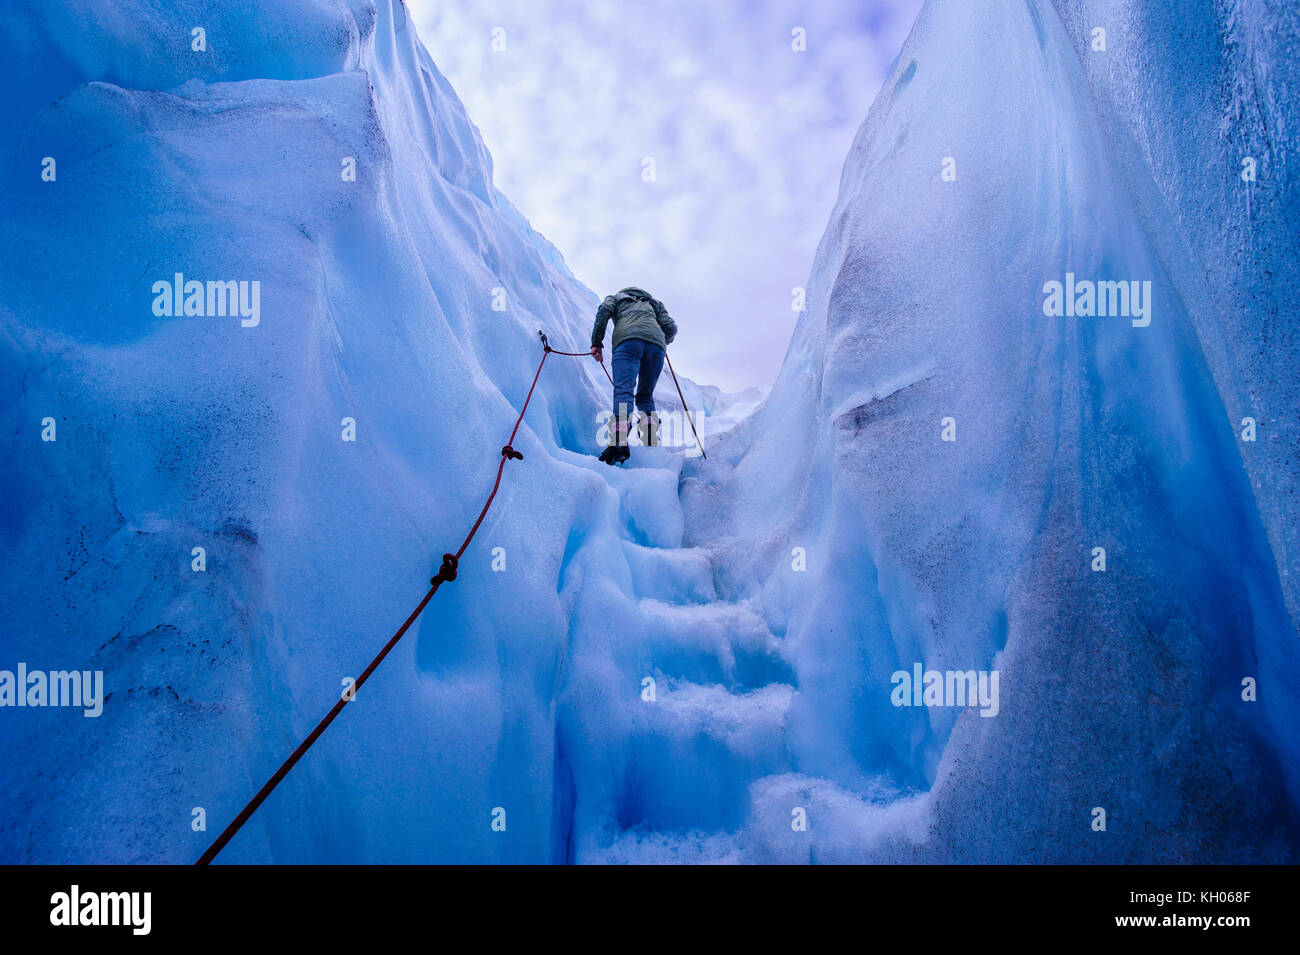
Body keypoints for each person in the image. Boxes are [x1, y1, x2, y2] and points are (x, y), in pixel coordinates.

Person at [590, 287, 677, 465]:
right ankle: (650, 440)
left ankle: (619, 440)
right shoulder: (654, 303)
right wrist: (663, 340)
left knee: (624, 392)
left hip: (628, 342)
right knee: (646, 395)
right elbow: (671, 327)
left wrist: (596, 343)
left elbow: (603, 312)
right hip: (656, 347)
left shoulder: (615, 298)